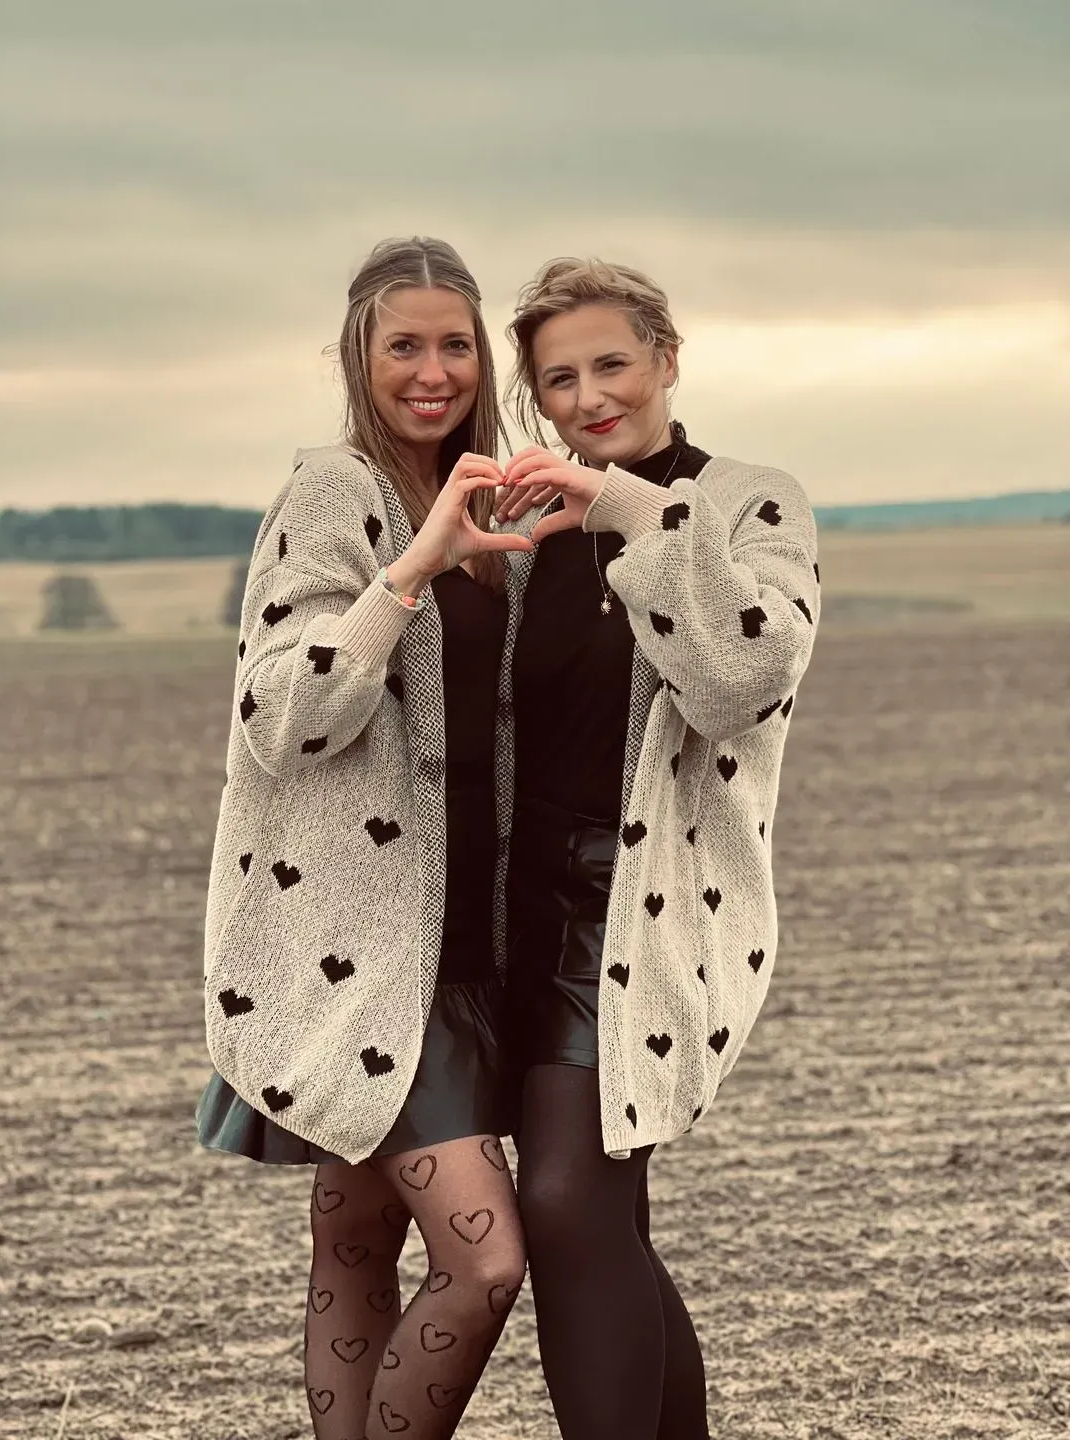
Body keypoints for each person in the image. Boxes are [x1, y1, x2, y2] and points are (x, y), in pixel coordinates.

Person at [196, 236, 531, 1440]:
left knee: (355, 1237)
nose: (433, 371)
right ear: (359, 355)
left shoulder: (495, 493)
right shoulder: (336, 493)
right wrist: (414, 568)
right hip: (361, 944)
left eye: (455, 345)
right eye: (405, 346)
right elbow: (283, 716)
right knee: (484, 1262)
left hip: (468, 938)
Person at [493, 258, 821, 1439]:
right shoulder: (525, 524)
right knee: (600, 1220)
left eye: (612, 364)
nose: (588, 398)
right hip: (509, 918)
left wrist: (629, 508)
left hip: (641, 906)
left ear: (667, 359)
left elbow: (741, 677)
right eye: (558, 380)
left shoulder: (750, 504)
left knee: (568, 1204)